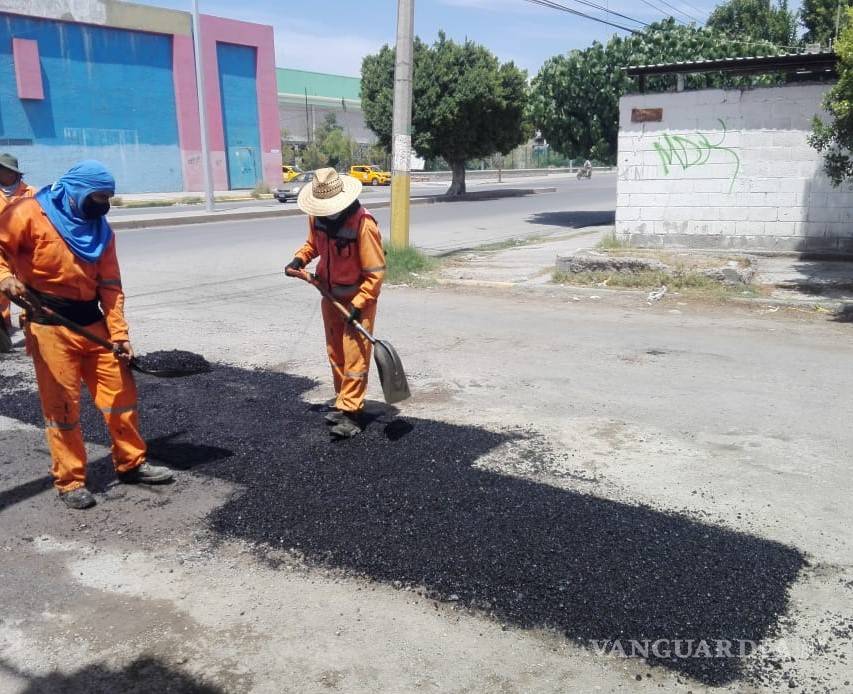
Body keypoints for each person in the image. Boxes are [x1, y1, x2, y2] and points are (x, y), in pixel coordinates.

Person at [0, 161, 173, 510]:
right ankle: (70, 480)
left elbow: (110, 284)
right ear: (76, 190)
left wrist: (119, 333)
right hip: (49, 325)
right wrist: (4, 279)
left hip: (92, 324)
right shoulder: (27, 213)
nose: (102, 204)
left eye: (107, 197)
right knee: (62, 407)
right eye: (97, 196)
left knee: (120, 396)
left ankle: (131, 463)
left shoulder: (99, 229)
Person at [285, 167, 386, 438]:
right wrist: (300, 259)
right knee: (336, 353)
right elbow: (313, 245)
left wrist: (359, 304)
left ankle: (353, 414)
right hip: (329, 296)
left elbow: (375, 273)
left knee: (355, 356)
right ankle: (343, 402)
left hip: (357, 299)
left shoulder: (364, 225)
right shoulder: (317, 218)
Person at [0, 154, 36, 352]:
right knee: (2, 289)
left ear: (12, 172)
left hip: (24, 250)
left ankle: (30, 330)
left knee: (28, 291)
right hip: (2, 248)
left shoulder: (31, 192)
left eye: (2, 168)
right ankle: (3, 330)